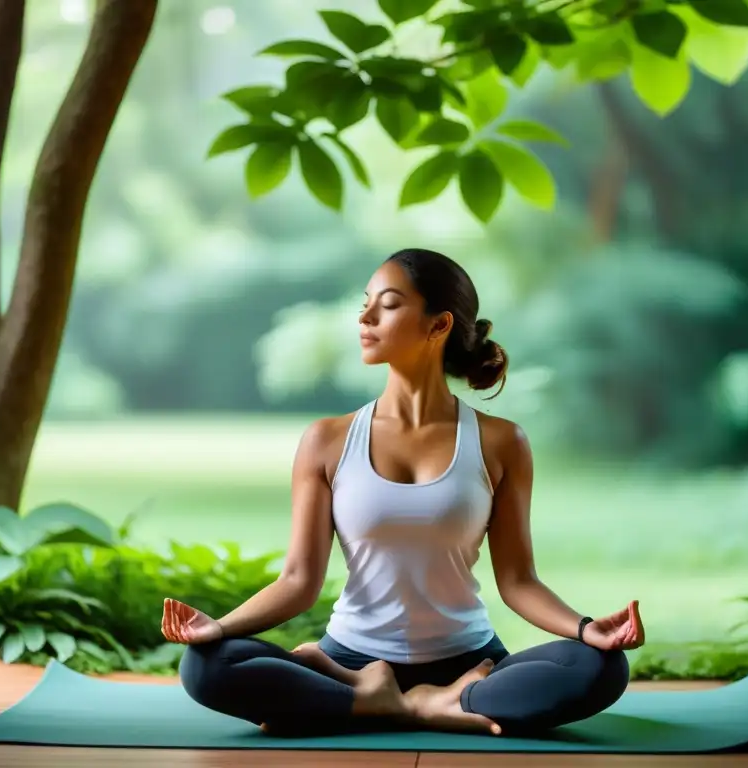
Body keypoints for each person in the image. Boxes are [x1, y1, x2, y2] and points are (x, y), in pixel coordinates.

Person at [160, 248, 645, 737]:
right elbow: (298, 580)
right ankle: (408, 702)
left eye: (388, 305)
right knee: (206, 665)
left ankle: (390, 703)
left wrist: (587, 630)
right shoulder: (327, 440)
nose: (365, 318)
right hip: (350, 657)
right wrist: (219, 628)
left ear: (439, 326)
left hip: (469, 662)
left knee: (601, 668)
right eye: (365, 304)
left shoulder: (502, 442)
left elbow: (518, 580)